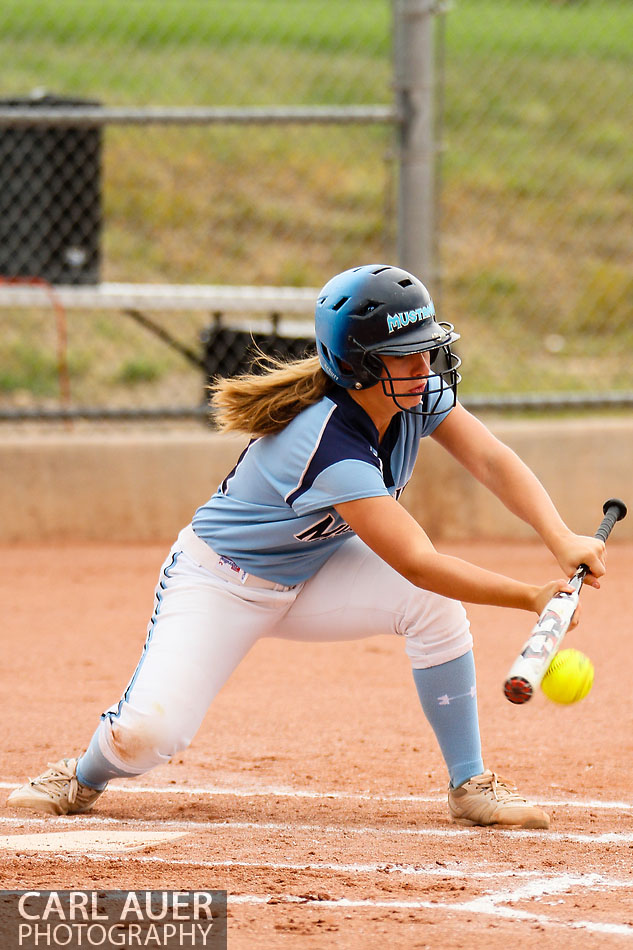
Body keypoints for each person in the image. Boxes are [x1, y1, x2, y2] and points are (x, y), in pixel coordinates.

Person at [8, 263, 606, 829]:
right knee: (148, 736)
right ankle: (83, 776)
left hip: (314, 571)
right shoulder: (326, 443)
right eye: (404, 355)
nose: (424, 366)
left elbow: (491, 459)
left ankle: (469, 783)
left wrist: (560, 538)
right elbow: (418, 562)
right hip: (221, 582)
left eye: (426, 348)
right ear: (358, 366)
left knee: (433, 611)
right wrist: (531, 596)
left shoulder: (411, 395)